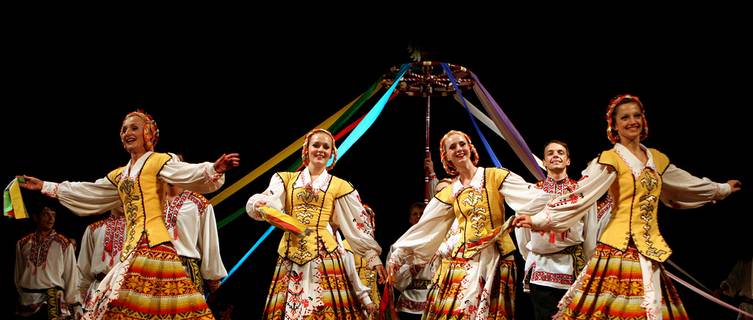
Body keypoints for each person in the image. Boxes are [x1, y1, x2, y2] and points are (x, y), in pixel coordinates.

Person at [514, 94, 742, 319]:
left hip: (650, 250)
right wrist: (539, 219)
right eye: (624, 117)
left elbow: (686, 184)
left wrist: (722, 189)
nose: (632, 121)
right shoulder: (610, 159)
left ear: (644, 119)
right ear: (613, 125)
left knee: (651, 310)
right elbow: (579, 195)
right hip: (618, 249)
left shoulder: (656, 159)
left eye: (637, 115)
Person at [18, 110, 240, 319]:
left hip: (154, 247)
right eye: (124, 129)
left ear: (147, 133)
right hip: (132, 250)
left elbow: (185, 172)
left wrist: (213, 168)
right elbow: (88, 190)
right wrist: (46, 186)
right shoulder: (121, 175)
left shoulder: (158, 161)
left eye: (134, 128)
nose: (127, 133)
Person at [388, 129, 552, 319]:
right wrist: (398, 254)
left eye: (462, 144)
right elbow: (425, 225)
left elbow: (532, 198)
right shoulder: (451, 191)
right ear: (446, 157)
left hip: (494, 257)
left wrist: (563, 199)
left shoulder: (493, 176)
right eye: (452, 147)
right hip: (462, 259)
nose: (459, 149)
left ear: (470, 147)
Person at [246, 128, 386, 319]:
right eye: (316, 145)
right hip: (291, 253)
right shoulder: (284, 179)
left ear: (331, 153)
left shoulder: (339, 186)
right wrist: (260, 204)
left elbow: (357, 223)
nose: (321, 150)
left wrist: (372, 256)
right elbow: (269, 202)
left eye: (326, 147)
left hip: (325, 254)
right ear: (306, 150)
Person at [513, 140, 612, 320]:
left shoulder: (581, 193)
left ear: (568, 161)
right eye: (550, 153)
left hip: (572, 267)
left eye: (560, 152)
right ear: (544, 162)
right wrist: (534, 256)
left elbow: (590, 232)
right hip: (542, 268)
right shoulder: (532, 193)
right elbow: (522, 234)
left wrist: (587, 265)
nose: (555, 155)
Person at [163, 154, 228, 297]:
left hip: (185, 271)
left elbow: (210, 244)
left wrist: (214, 281)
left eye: (178, 168)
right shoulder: (150, 203)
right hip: (153, 269)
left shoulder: (199, 204)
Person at [15, 199, 81, 319]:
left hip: (53, 301)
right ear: (36, 217)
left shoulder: (64, 243)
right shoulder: (23, 243)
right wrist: (23, 294)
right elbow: (18, 274)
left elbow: (71, 275)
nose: (51, 219)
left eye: (53, 215)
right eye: (46, 214)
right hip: (27, 301)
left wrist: (74, 303)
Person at [76, 206, 125, 313]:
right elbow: (84, 267)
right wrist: (78, 301)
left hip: (122, 292)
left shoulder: (138, 230)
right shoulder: (93, 229)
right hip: (96, 289)